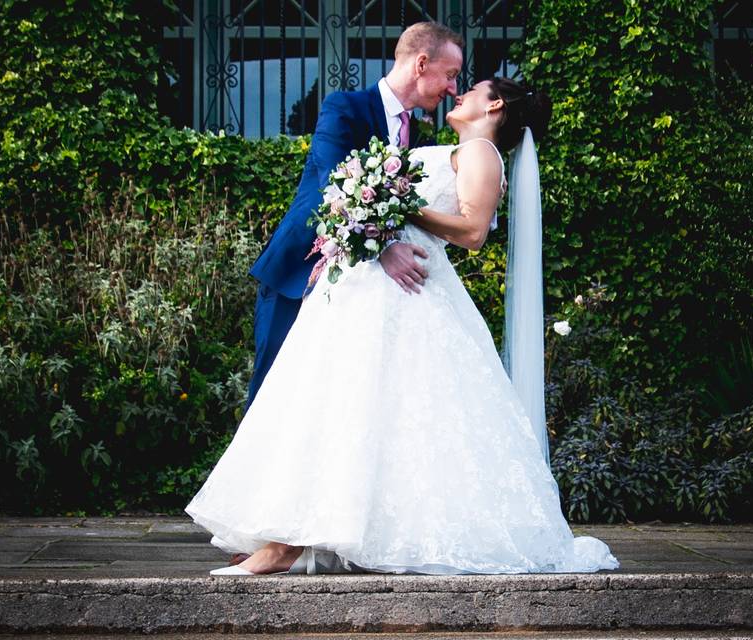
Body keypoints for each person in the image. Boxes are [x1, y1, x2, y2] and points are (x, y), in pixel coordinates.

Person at [185, 76, 621, 576]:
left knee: (365, 408)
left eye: (472, 89)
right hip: (371, 292)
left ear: (494, 104)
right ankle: (299, 538)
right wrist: (368, 217)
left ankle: (291, 545)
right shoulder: (455, 148)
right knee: (344, 409)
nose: (460, 94)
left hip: (408, 295)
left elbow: (474, 232)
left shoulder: (482, 151)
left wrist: (393, 205)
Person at [244, 22, 464, 410]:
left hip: (359, 298)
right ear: (422, 63)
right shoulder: (344, 108)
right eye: (450, 75)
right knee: (271, 404)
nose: (453, 88)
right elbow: (335, 186)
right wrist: (385, 248)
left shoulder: (421, 137)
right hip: (301, 274)